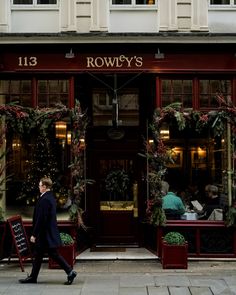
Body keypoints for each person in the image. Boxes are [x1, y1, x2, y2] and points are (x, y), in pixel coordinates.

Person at [19, 177, 77, 285]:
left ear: (45, 187)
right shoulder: (50, 197)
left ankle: (69, 271)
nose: (39, 187)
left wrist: (34, 234)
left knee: (51, 254)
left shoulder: (45, 199)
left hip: (44, 234)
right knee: (40, 255)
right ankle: (33, 277)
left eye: (40, 185)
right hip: (46, 233)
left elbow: (41, 218)